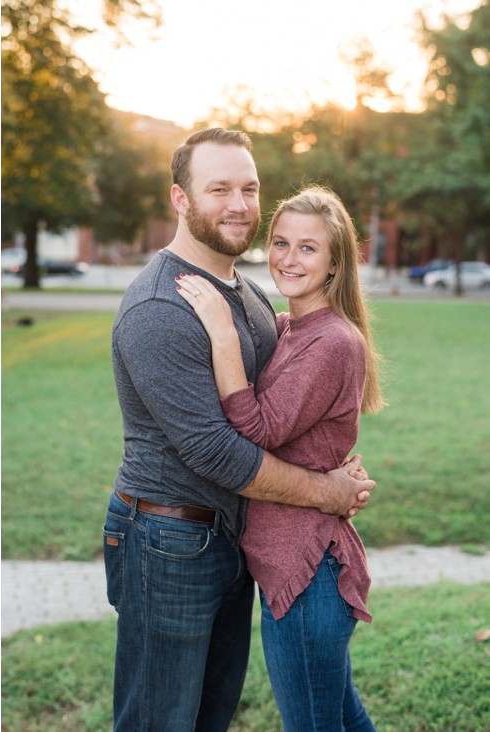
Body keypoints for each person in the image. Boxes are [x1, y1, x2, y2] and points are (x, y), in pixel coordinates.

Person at [105, 128, 376, 731]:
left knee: (210, 716)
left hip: (231, 540)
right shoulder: (160, 307)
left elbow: (301, 382)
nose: (238, 204)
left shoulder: (248, 293)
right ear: (180, 198)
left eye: (249, 188)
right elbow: (217, 450)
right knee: (159, 720)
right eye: (219, 188)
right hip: (166, 538)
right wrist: (327, 491)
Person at [175, 185, 382, 730]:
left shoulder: (333, 341)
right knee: (342, 716)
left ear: (336, 262)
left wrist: (222, 334)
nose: (289, 258)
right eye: (282, 243)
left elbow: (258, 429)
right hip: (296, 564)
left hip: (308, 572)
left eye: (309, 248)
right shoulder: (290, 328)